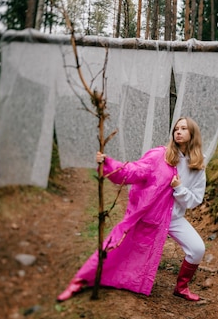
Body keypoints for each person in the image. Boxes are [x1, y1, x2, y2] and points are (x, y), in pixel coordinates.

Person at [57, 116, 207, 302]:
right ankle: (81, 279)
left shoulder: (198, 166)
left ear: (193, 133)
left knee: (198, 249)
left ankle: (181, 288)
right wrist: (108, 163)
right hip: (150, 216)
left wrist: (179, 188)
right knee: (115, 245)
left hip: (174, 218)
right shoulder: (161, 155)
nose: (178, 131)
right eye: (176, 128)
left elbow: (194, 201)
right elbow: (135, 170)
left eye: (184, 128)